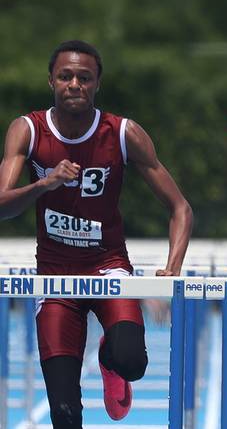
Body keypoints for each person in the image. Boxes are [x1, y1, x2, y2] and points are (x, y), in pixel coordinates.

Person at [0, 40, 193, 428]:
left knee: (132, 362)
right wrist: (44, 184)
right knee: (65, 413)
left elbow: (181, 209)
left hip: (108, 270)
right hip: (56, 278)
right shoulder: (28, 130)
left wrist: (173, 268)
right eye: (65, 76)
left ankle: (110, 362)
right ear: (51, 81)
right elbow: (3, 205)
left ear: (97, 83)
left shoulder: (123, 133)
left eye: (84, 78)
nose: (75, 84)